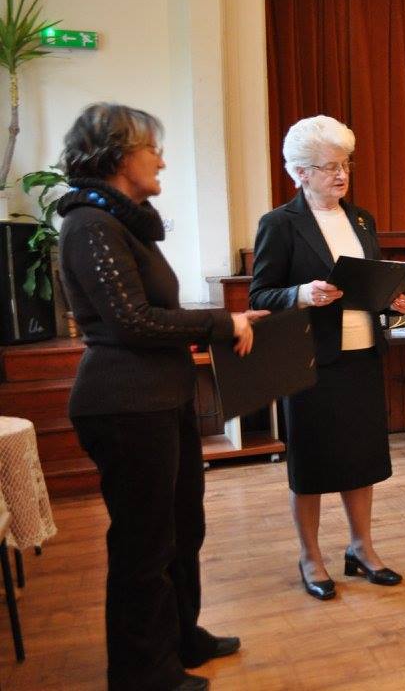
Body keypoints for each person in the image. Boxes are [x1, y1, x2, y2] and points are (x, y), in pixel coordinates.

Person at [58, 103, 254, 691]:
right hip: (125, 405)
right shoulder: (90, 225)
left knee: (183, 528)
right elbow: (133, 323)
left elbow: (151, 311)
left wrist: (224, 322)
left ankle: (180, 638)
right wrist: (221, 323)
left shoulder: (125, 223)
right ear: (119, 157)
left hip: (159, 400)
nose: (161, 161)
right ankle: (142, 674)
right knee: (143, 545)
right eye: (153, 149)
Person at [249, 115, 405, 600]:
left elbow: (371, 285)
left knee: (362, 457)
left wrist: (394, 302)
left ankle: (361, 548)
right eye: (329, 167)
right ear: (300, 172)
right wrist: (302, 293)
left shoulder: (361, 219)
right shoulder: (280, 224)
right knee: (311, 462)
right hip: (310, 360)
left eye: (345, 164)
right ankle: (311, 556)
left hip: (362, 353)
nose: (341, 175)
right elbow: (261, 294)